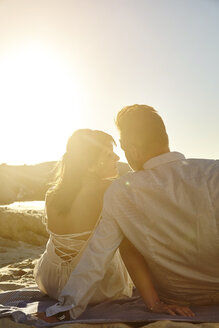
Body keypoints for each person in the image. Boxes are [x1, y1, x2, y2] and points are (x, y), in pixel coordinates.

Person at [45, 105, 219, 320]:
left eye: (123, 147)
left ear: (134, 150)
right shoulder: (214, 171)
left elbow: (97, 255)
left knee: (128, 238)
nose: (121, 157)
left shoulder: (122, 192)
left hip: (178, 296)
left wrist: (65, 309)